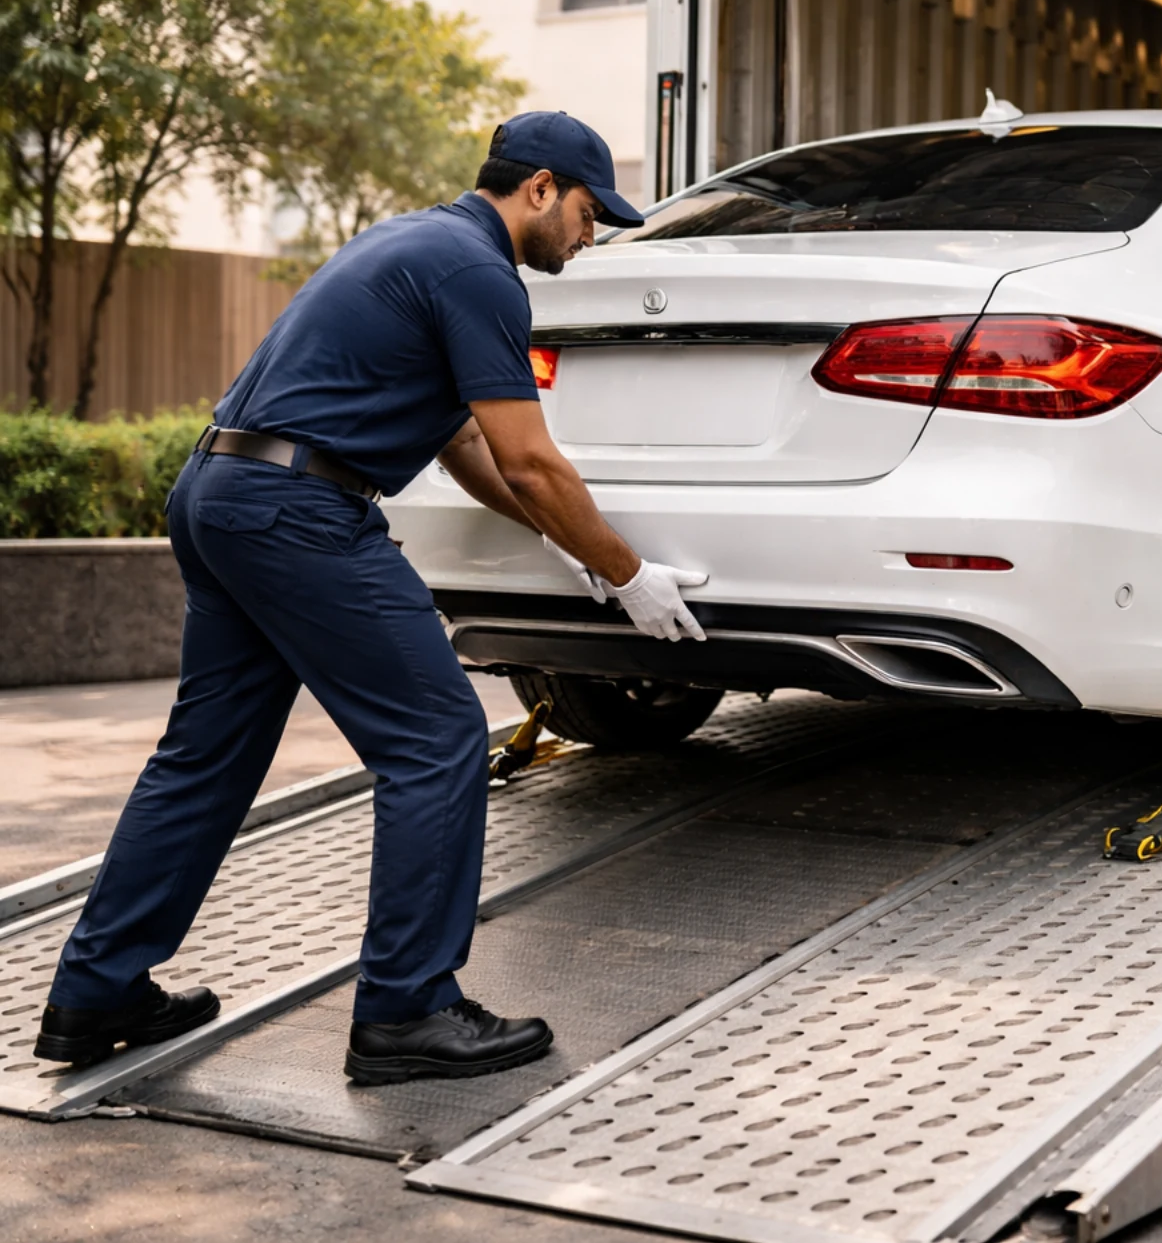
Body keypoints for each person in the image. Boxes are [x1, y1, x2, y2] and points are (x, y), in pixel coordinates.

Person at [35, 112, 709, 1084]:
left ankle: (95, 990)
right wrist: (625, 573)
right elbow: (529, 454)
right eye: (589, 210)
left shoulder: (409, 242)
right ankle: (409, 1011)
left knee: (204, 758)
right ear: (539, 189)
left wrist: (563, 546)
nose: (591, 232)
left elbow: (470, 451)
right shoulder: (481, 275)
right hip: (300, 514)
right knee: (435, 743)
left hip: (220, 494)